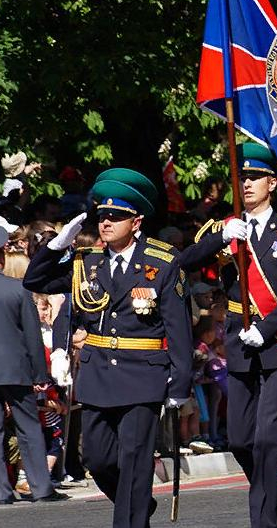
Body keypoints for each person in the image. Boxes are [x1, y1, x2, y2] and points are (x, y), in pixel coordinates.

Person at [23, 168, 192, 526]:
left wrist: (180, 384)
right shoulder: (88, 262)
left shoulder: (162, 263)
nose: (107, 222)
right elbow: (34, 280)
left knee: (134, 459)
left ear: (137, 221)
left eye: (116, 216)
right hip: (99, 375)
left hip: (143, 375)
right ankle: (137, 504)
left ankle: (130, 517)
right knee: (97, 458)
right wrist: (57, 246)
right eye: (102, 215)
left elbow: (178, 329)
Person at [188, 143, 277, 528]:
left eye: (255, 177)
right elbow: (184, 264)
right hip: (240, 346)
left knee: (266, 440)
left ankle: (265, 519)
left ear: (271, 182)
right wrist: (220, 238)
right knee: (241, 440)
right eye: (242, 177)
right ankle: (272, 489)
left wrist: (266, 326)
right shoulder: (226, 229)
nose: (246, 183)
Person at [0, 226, 67, 504]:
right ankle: (41, 488)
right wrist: (41, 375)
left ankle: (0, 493)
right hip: (16, 370)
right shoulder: (18, 289)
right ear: (2, 257)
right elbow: (32, 335)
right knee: (28, 428)